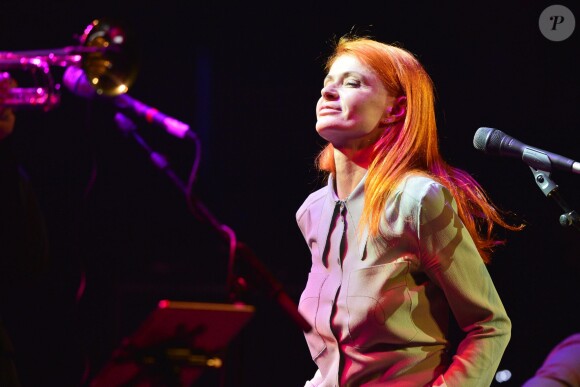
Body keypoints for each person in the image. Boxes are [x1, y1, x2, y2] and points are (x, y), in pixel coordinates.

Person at [295, 34, 523, 387]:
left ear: (396, 109)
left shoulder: (417, 201)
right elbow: (337, 357)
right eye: (327, 84)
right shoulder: (312, 212)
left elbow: (489, 326)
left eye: (352, 83)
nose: (327, 93)